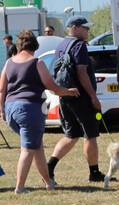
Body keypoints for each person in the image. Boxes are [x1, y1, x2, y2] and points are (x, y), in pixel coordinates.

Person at [2, 30, 78, 192]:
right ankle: (20, 187)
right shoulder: (37, 63)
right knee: (28, 149)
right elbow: (52, 87)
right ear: (34, 46)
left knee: (37, 146)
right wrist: (68, 91)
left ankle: (48, 182)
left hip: (11, 109)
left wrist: (1, 110)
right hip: (29, 109)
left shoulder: (9, 63)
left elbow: (2, 90)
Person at [47, 17, 103, 184]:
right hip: (81, 98)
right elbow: (81, 72)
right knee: (90, 135)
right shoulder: (79, 46)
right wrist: (93, 97)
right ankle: (94, 173)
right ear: (75, 27)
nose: (88, 31)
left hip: (66, 96)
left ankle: (49, 166)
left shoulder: (61, 45)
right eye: (85, 28)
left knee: (71, 135)